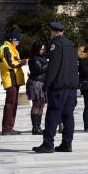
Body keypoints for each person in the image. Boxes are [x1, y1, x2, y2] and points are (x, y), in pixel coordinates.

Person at [32, 21, 79, 154]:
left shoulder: (56, 44)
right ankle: (67, 143)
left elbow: (54, 66)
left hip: (59, 86)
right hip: (71, 87)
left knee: (53, 114)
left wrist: (47, 83)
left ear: (53, 31)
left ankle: (48, 144)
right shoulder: (71, 44)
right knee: (68, 116)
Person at [0, 31, 25, 136]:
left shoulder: (12, 49)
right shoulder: (6, 48)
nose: (18, 42)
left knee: (13, 104)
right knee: (10, 104)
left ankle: (9, 127)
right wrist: (21, 63)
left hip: (14, 80)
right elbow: (9, 64)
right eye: (17, 40)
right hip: (11, 80)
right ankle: (7, 128)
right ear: (11, 40)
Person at [26, 40, 49, 135]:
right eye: (41, 48)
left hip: (42, 83)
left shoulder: (42, 58)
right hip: (36, 83)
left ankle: (38, 126)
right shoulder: (34, 58)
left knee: (41, 105)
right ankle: (35, 127)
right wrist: (49, 64)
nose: (43, 50)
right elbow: (38, 69)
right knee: (36, 104)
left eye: (44, 49)